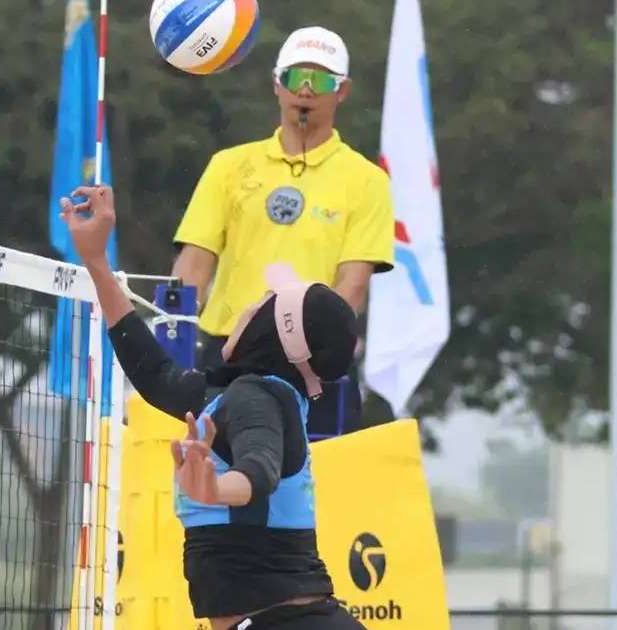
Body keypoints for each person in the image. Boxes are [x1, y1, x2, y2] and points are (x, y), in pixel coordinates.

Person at [60, 184, 366, 630]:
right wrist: (97, 262)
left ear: (273, 332)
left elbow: (258, 471)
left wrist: (216, 490)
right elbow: (154, 375)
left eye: (259, 305)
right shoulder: (243, 395)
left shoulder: (257, 396)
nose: (243, 312)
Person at [170, 26, 395, 436]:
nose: (305, 90)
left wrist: (308, 345)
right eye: (295, 77)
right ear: (276, 84)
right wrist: (173, 343)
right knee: (209, 484)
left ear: (342, 91)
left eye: (321, 80)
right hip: (226, 354)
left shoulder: (367, 180)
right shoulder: (228, 165)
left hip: (312, 368)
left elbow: (353, 284)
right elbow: (194, 265)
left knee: (315, 492)